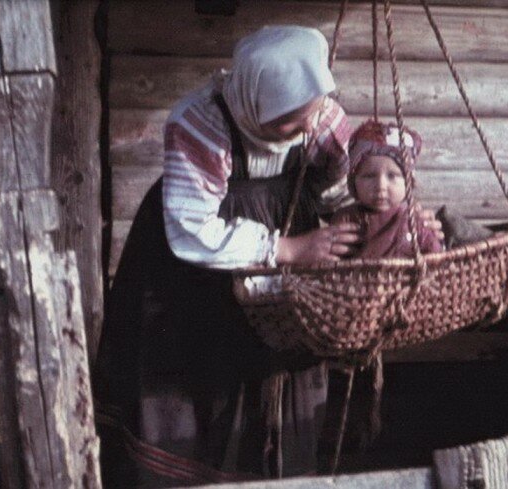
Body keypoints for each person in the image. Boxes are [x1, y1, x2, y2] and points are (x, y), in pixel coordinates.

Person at [94, 26, 362, 487]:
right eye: (288, 121)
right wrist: (288, 248)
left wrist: (362, 226)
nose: (305, 128)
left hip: (280, 269)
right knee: (196, 376)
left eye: (311, 114)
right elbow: (192, 228)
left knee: (277, 361)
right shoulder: (201, 123)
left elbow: (341, 185)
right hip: (197, 264)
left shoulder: (318, 116)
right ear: (257, 101)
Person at [331, 120, 443, 258]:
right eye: (369, 176)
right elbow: (332, 257)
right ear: (354, 183)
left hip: (407, 278)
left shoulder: (414, 219)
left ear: (408, 182)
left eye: (392, 176)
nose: (380, 186)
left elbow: (434, 254)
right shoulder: (347, 219)